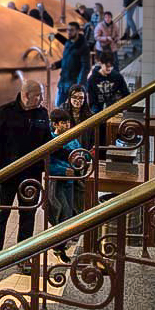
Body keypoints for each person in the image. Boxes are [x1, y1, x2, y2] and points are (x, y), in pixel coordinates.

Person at [0, 79, 51, 258]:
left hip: (32, 175)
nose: (42, 99)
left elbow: (48, 142)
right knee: (1, 215)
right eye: (38, 95)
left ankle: (23, 256)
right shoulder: (4, 113)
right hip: (7, 174)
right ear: (26, 95)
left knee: (28, 215)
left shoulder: (42, 113)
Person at [47, 109, 82, 263]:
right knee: (62, 212)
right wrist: (65, 170)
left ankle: (61, 244)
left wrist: (84, 157)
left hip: (70, 183)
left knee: (69, 213)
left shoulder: (71, 138)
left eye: (68, 122)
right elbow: (49, 164)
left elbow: (81, 152)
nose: (67, 125)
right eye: (63, 123)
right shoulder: (52, 140)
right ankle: (58, 247)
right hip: (57, 182)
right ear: (55, 124)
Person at [62, 84, 94, 215]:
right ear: (69, 98)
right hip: (65, 157)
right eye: (75, 97)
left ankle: (78, 216)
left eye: (81, 98)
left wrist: (87, 156)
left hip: (83, 157)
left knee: (81, 190)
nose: (78, 101)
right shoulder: (63, 113)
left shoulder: (89, 115)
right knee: (66, 190)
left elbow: (92, 140)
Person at [52, 21, 90, 106]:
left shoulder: (83, 47)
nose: (69, 32)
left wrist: (79, 84)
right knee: (59, 107)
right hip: (63, 81)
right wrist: (57, 65)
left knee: (74, 107)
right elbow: (66, 59)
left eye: (71, 30)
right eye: (68, 30)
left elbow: (85, 67)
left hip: (74, 82)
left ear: (77, 31)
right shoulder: (68, 43)